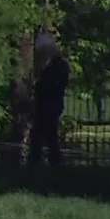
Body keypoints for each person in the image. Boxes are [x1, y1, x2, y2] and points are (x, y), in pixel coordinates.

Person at [30, 34, 71, 168]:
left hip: (51, 105)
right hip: (46, 105)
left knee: (47, 136)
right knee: (42, 136)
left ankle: (51, 164)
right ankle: (42, 164)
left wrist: (39, 85)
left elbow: (52, 86)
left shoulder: (59, 65)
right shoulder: (50, 65)